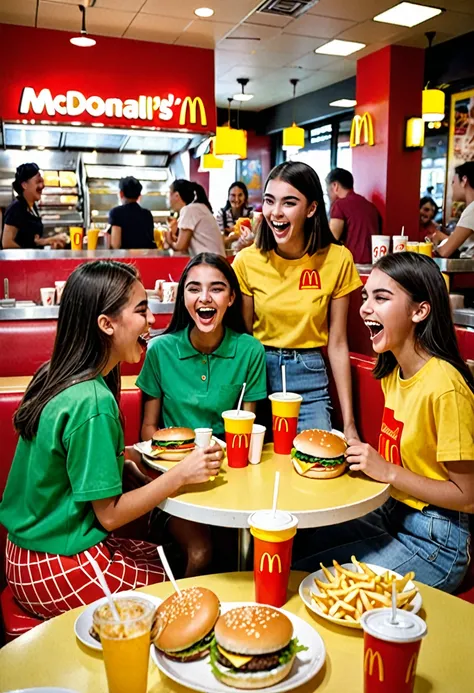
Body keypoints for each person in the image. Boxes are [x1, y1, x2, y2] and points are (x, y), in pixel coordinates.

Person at [0, 261, 223, 619]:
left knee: (169, 553)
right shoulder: (93, 402)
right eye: (141, 310)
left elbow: (64, 472)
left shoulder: (55, 375)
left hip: (23, 553)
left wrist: (126, 461)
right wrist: (180, 474)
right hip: (56, 564)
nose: (151, 321)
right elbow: (110, 516)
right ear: (106, 324)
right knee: (184, 593)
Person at [294, 253, 474, 593]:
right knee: (297, 553)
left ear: (420, 311)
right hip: (390, 514)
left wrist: (387, 470)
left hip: (438, 543)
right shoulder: (392, 370)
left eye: (381, 298)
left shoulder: (445, 387)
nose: (364, 308)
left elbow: (468, 497)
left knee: (323, 590)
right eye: (366, 296)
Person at [137, 253, 267, 576]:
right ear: (183, 297)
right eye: (194, 289)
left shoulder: (250, 351)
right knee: (201, 551)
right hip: (174, 484)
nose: (205, 298)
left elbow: (247, 431)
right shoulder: (160, 350)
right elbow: (148, 429)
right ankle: (188, 620)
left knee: (255, 543)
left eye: (217, 289)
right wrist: (179, 468)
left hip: (233, 481)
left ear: (232, 298)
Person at [233, 161, 361, 440]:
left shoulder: (338, 259)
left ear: (311, 208)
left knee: (315, 462)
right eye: (269, 201)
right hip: (257, 374)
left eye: (289, 202)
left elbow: (338, 343)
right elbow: (242, 339)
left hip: (309, 375)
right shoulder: (246, 260)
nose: (276, 212)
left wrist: (350, 424)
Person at [1, 163, 67, 250]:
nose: (42, 186)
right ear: (24, 185)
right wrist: (29, 254)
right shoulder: (16, 208)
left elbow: (30, 241)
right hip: (20, 262)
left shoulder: (32, 207)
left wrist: (47, 241)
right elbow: (6, 243)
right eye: (38, 182)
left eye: (42, 181)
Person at [326, 167, 381, 264]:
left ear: (335, 186)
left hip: (352, 265)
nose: (328, 194)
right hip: (374, 264)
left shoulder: (339, 205)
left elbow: (331, 239)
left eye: (327, 189)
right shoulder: (371, 206)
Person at [165, 179, 225, 257]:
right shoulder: (198, 207)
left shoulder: (189, 210)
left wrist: (169, 240)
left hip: (210, 264)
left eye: (169, 194)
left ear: (176, 195)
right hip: (216, 262)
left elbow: (180, 246)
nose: (168, 199)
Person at [437, 162, 474, 258]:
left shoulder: (472, 209)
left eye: (453, 182)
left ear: (464, 180)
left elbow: (445, 251)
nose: (452, 186)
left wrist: (432, 245)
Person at [108, 176, 155, 250]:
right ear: (139, 196)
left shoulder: (116, 213)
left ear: (121, 194)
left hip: (126, 260)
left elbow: (115, 244)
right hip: (146, 258)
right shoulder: (147, 214)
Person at [216, 181, 254, 247]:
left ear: (245, 197)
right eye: (233, 195)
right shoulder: (222, 214)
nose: (236, 199)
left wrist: (231, 235)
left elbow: (255, 240)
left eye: (240, 195)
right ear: (228, 197)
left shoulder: (251, 214)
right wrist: (236, 236)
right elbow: (218, 241)